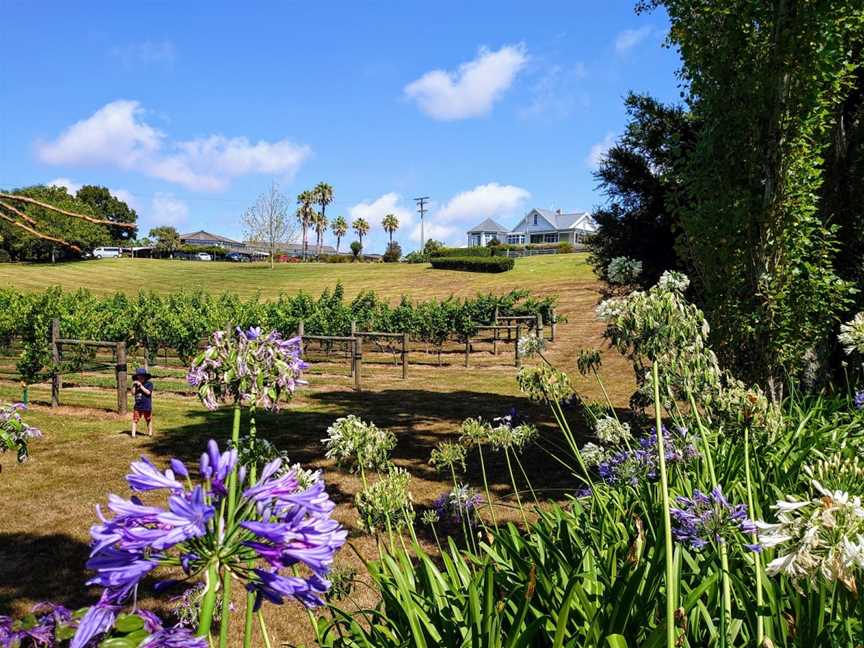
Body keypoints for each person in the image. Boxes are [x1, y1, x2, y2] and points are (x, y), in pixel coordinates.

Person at [131, 367, 154, 438]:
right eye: (138, 377)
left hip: (146, 405)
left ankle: (150, 433)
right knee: (135, 419)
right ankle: (133, 434)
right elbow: (133, 393)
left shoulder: (149, 384)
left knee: (148, 419)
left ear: (145, 377)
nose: (140, 378)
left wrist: (140, 386)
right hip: (138, 406)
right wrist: (133, 386)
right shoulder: (136, 385)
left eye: (142, 376)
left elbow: (148, 392)